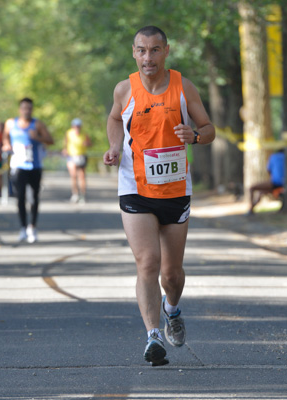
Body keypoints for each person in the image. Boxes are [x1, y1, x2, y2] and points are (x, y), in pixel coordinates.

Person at [103, 26, 215, 366]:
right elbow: (112, 118)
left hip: (174, 189)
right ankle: (153, 336)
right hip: (135, 186)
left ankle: (172, 309)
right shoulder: (125, 89)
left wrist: (193, 136)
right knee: (147, 262)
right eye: (141, 50)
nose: (147, 57)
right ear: (133, 53)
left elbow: (209, 130)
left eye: (154, 50)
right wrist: (114, 145)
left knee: (172, 273)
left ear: (166, 51)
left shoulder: (183, 87)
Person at [2, 98, 54, 243]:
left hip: (35, 166)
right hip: (18, 166)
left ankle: (33, 227)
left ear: (32, 109)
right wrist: (6, 144)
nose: (27, 111)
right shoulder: (11, 123)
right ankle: (23, 227)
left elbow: (50, 140)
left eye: (29, 108)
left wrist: (37, 137)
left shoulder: (37, 124)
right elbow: (5, 137)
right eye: (24, 108)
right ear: (20, 109)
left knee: (34, 197)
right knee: (20, 197)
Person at [247, 149, 285, 215]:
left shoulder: (274, 157)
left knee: (252, 188)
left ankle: (251, 208)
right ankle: (252, 208)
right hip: (283, 183)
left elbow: (269, 170)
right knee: (261, 192)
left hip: (275, 182)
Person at [63, 118, 91, 203]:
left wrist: (86, 144)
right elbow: (66, 142)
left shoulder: (84, 134)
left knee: (81, 176)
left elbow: (89, 143)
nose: (77, 128)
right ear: (73, 126)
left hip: (81, 156)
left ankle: (82, 195)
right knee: (73, 175)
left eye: (78, 126)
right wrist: (65, 149)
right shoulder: (69, 133)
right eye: (75, 126)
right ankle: (75, 194)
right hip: (72, 156)